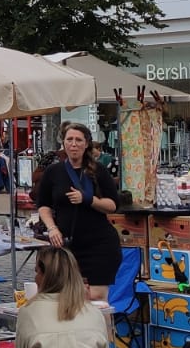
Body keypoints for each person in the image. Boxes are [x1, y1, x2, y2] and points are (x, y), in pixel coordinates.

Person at [34, 121, 123, 299]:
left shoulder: (98, 171)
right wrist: (52, 228)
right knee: (67, 297)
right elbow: (43, 205)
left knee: (96, 298)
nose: (73, 144)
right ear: (64, 143)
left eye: (78, 140)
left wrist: (88, 199)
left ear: (86, 143)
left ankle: (104, 328)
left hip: (99, 245)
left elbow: (113, 205)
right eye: (70, 139)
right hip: (67, 246)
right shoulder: (53, 172)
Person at [15, 246, 112, 348]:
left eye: (37, 272)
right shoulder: (94, 311)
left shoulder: (28, 312)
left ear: (45, 276)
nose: (35, 278)